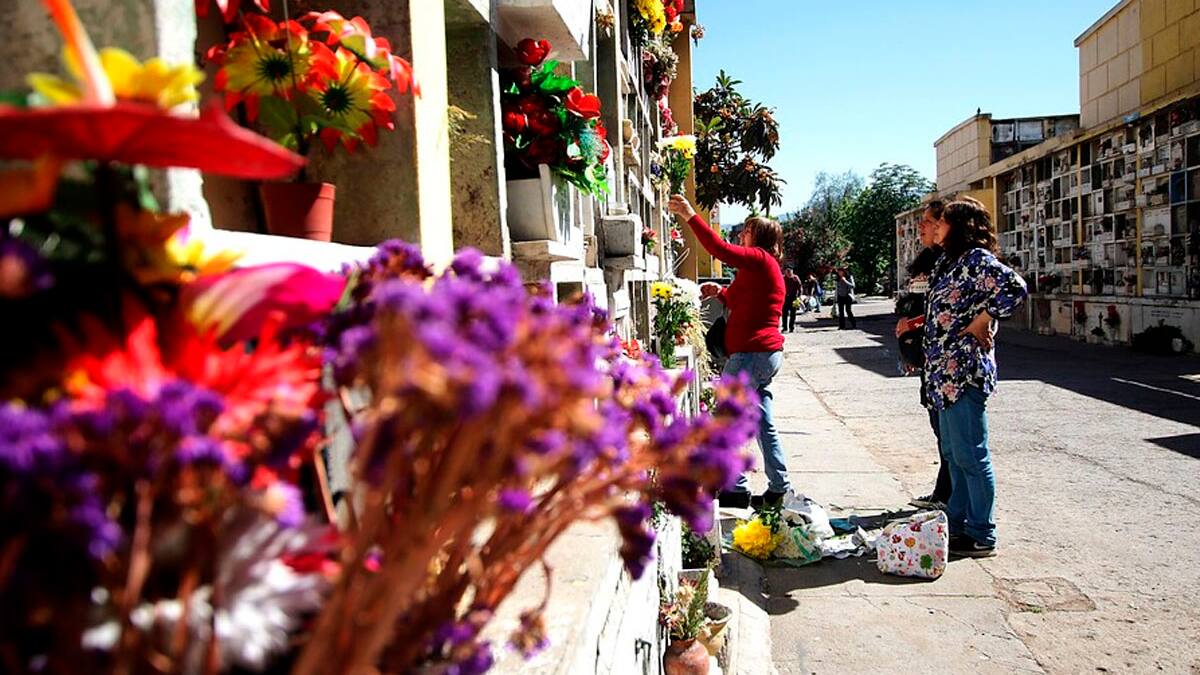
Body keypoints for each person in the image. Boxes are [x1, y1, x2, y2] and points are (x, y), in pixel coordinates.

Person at [667, 194, 789, 508]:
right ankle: (779, 487)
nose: (740, 236)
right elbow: (739, 301)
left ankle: (736, 489)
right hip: (763, 356)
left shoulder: (760, 259)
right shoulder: (757, 270)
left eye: (746, 232)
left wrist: (692, 215)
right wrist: (719, 292)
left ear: (759, 237)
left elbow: (718, 249)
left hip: (750, 356)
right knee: (763, 423)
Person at [923, 196, 1027, 558]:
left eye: (942, 222)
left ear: (961, 227)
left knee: (971, 454)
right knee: (954, 454)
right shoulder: (949, 263)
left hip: (964, 372)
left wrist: (985, 319)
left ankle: (982, 532)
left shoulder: (975, 261)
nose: (935, 227)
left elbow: (1015, 289)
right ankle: (958, 522)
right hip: (943, 376)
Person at [895, 200, 949, 511]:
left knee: (951, 437)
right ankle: (943, 492)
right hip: (929, 358)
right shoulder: (931, 260)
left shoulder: (954, 262)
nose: (921, 226)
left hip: (947, 364)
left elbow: (942, 311)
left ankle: (949, 499)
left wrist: (912, 323)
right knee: (939, 429)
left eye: (928, 221)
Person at [782, 268, 802, 332]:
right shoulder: (783, 278)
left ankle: (791, 327)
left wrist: (799, 296)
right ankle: (785, 327)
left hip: (793, 297)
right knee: (784, 313)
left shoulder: (795, 278)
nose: (789, 274)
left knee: (793, 313)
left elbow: (800, 287)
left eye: (790, 273)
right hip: (785, 297)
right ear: (785, 273)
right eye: (788, 273)